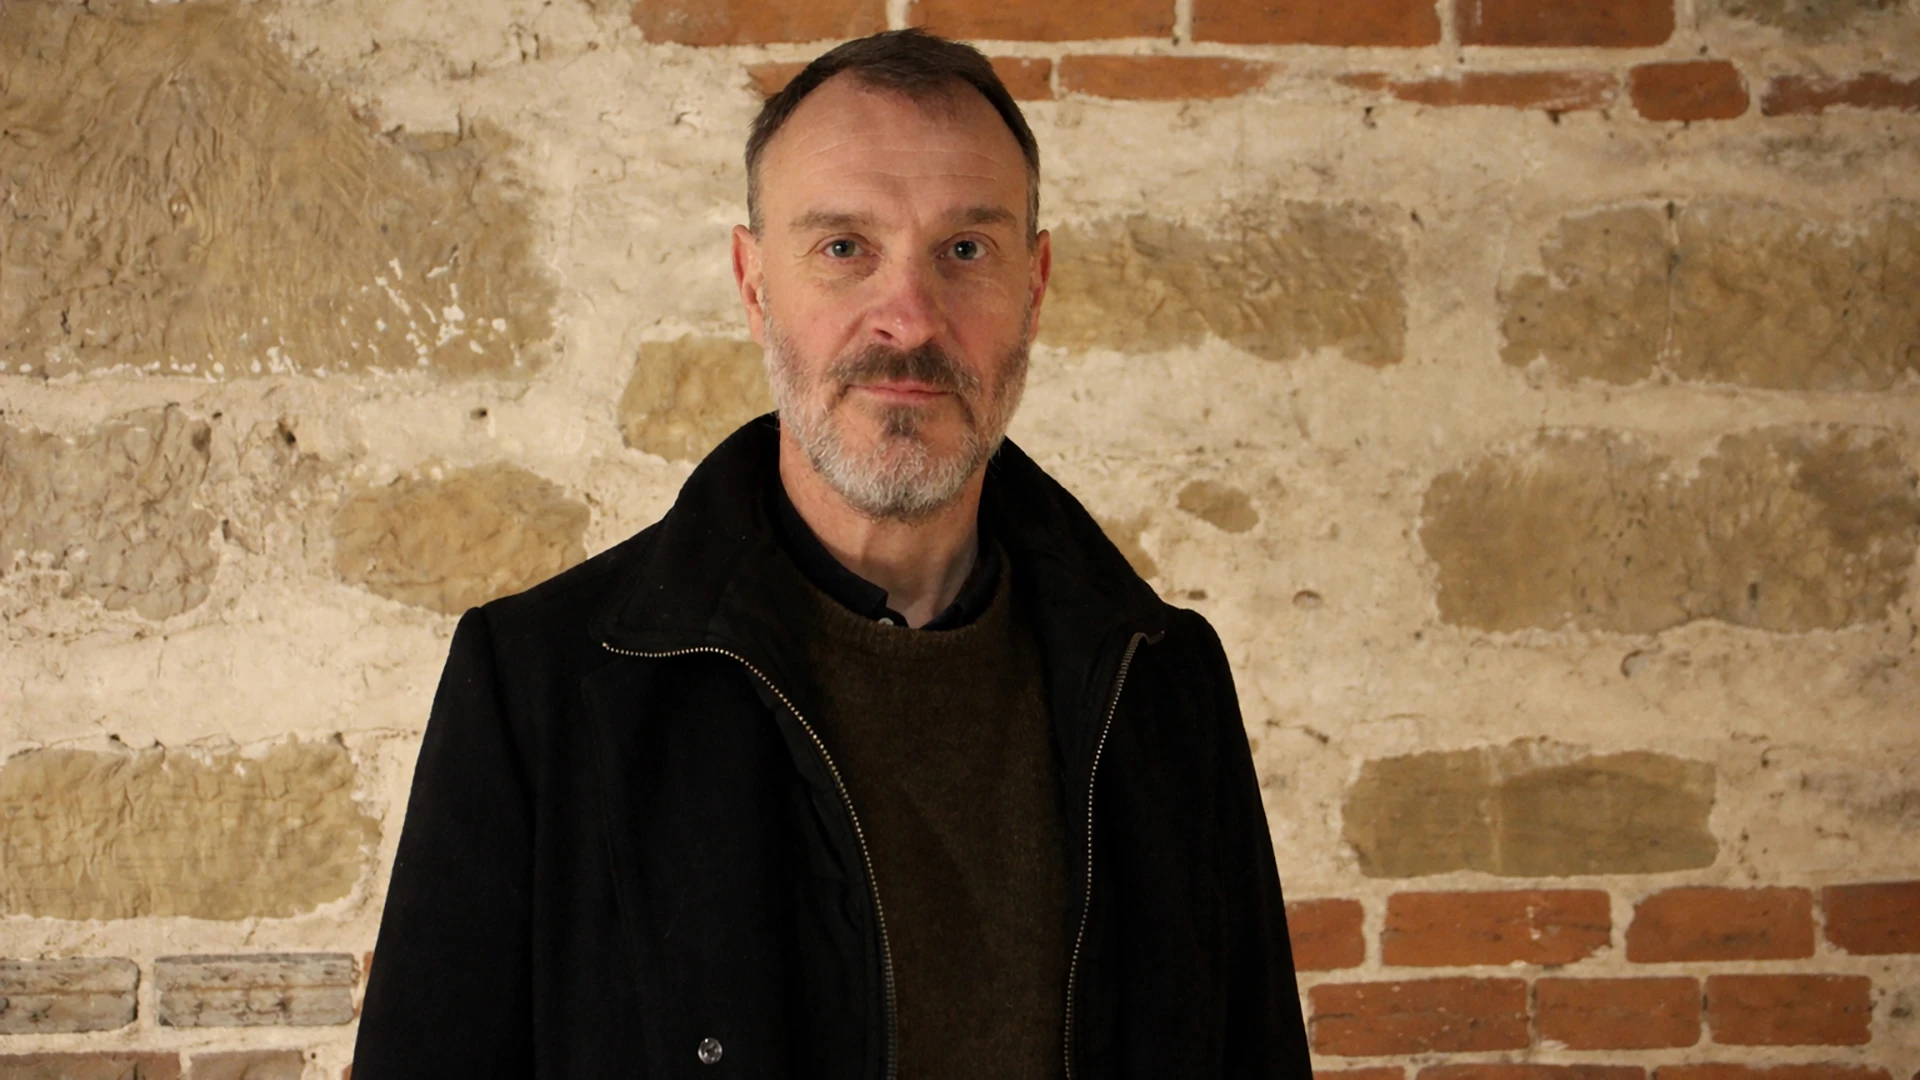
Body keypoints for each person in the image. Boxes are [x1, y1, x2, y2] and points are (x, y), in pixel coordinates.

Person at [352, 29, 1312, 1079]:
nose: (909, 320)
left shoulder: (1165, 683)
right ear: (754, 283)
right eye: (845, 248)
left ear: (1034, 288)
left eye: (966, 250)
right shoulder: (541, 690)